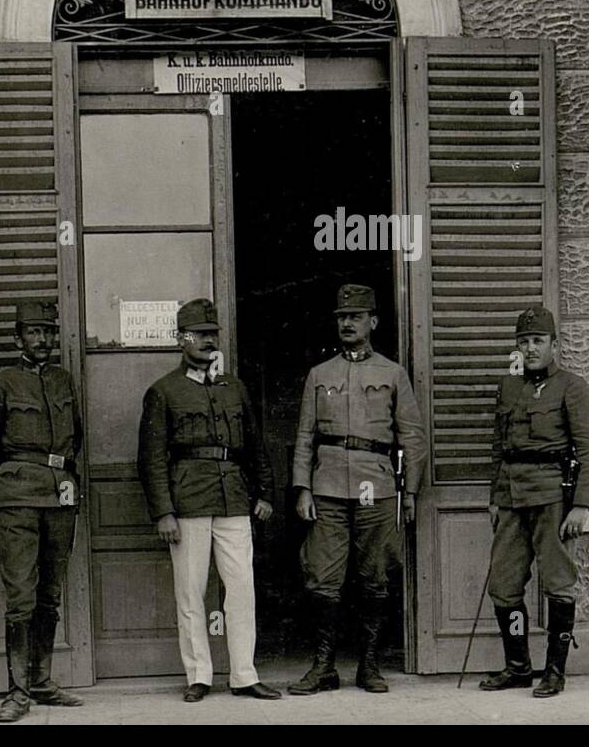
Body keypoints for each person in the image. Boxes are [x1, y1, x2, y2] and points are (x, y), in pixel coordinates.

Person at [137, 297, 281, 702]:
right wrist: (163, 511)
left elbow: (255, 446)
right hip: (188, 504)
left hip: (234, 500)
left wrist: (265, 492)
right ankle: (198, 675)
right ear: (180, 339)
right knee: (191, 592)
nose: (206, 339)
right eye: (198, 333)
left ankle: (243, 675)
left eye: (212, 333)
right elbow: (150, 458)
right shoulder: (163, 392)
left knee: (241, 589)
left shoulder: (233, 388)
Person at [288, 283, 427, 695]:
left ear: (373, 322)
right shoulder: (320, 374)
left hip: (377, 487)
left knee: (375, 577)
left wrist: (411, 493)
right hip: (327, 487)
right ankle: (324, 667)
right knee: (322, 579)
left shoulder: (392, 373)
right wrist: (302, 488)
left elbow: (414, 439)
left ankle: (370, 665)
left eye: (355, 316)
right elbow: (304, 437)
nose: (347, 323)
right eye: (341, 317)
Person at [0, 301, 86, 723]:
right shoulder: (1, 385)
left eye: (48, 332)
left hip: (60, 496)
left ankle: (42, 681)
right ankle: (17, 692)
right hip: (17, 497)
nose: (42, 340)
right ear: (17, 338)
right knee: (21, 596)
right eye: (33, 332)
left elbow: (77, 442)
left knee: (50, 594)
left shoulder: (63, 381)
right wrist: (9, 485)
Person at [481, 306, 589, 698]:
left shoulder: (572, 387)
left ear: (555, 344)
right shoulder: (509, 387)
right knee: (503, 584)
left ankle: (554, 671)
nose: (530, 348)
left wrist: (582, 505)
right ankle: (518, 667)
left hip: (553, 498)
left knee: (558, 585)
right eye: (523, 342)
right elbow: (499, 449)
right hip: (512, 498)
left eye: (537, 341)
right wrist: (496, 499)